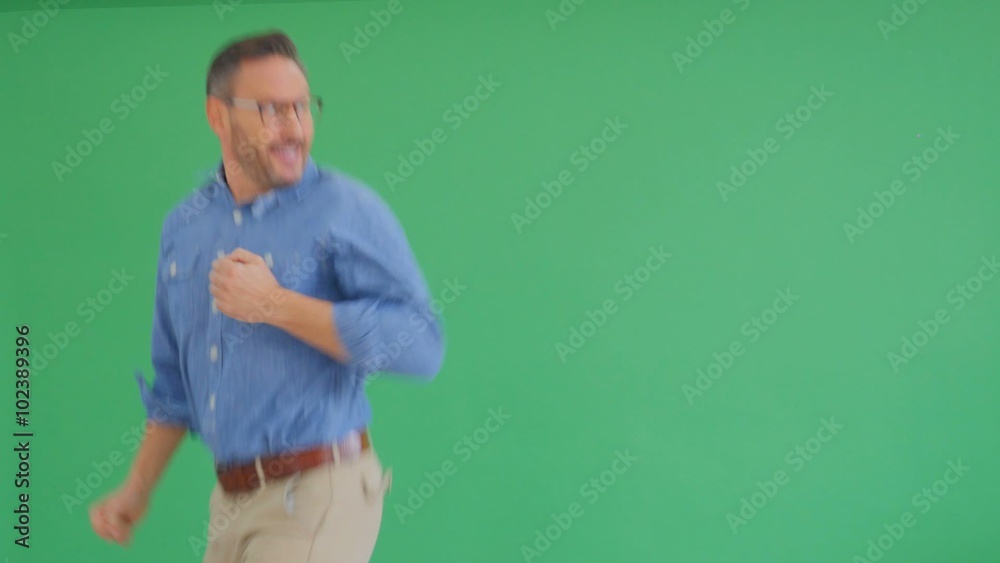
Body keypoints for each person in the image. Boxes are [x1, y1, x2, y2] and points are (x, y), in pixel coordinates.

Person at [88, 30, 445, 562]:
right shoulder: (186, 226)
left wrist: (275, 305)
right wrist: (136, 491)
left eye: (302, 107)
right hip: (229, 502)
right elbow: (174, 383)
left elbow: (421, 347)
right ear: (218, 116)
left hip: (319, 494)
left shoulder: (346, 210)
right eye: (272, 110)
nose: (295, 128)